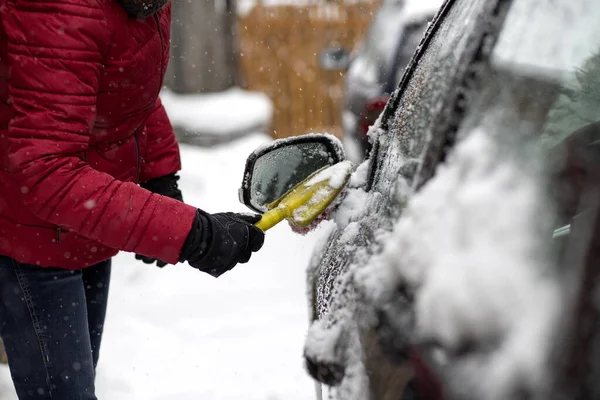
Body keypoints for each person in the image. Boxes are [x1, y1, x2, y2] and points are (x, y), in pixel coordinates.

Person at [0, 0, 265, 398]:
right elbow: (45, 173)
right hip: (31, 241)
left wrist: (160, 175)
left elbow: (124, 91)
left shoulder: (143, 3)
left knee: (78, 379)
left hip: (84, 227)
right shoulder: (61, 10)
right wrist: (191, 234)